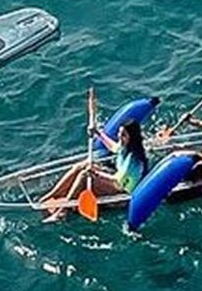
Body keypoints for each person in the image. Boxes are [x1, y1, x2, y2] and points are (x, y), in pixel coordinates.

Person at [39, 89, 150, 222]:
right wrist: (97, 132)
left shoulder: (133, 159)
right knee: (81, 166)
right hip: (117, 181)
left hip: (122, 192)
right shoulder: (125, 146)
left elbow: (118, 181)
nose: (119, 136)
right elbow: (113, 147)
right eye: (120, 133)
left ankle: (62, 211)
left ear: (131, 137)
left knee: (85, 175)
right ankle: (51, 195)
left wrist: (96, 174)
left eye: (123, 135)